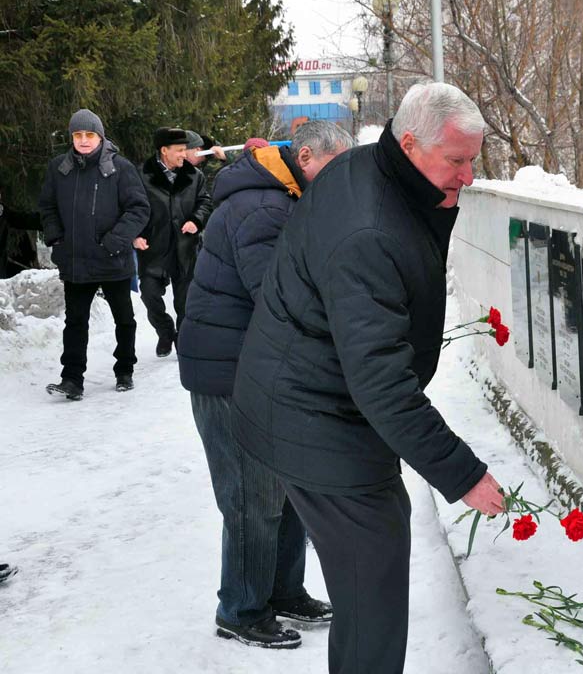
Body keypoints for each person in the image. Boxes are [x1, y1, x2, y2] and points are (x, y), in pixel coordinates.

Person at [232, 84, 506, 674]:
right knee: (373, 571)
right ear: (410, 144)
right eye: (456, 161)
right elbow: (381, 380)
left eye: (473, 160)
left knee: (381, 541)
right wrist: (462, 473)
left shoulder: (374, 169)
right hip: (311, 412)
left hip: (315, 396)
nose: (469, 175)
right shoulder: (370, 232)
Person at [177, 121, 352, 649]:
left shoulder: (283, 197)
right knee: (252, 496)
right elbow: (280, 299)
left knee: (285, 486)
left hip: (259, 369)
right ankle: (242, 608)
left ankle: (282, 590)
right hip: (228, 373)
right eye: (334, 166)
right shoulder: (263, 208)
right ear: (304, 156)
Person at [39, 109, 150, 400]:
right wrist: (57, 240)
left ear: (100, 137)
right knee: (75, 322)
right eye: (78, 135)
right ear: (72, 137)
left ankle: (124, 369)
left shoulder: (120, 168)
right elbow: (47, 207)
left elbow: (139, 208)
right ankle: (72, 379)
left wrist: (115, 241)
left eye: (90, 135)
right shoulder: (59, 169)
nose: (84, 140)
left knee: (124, 318)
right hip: (76, 261)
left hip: (112, 258)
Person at [134, 127, 212, 357]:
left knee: (185, 303)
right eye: (179, 150)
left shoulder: (194, 176)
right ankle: (166, 331)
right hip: (153, 247)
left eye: (185, 150)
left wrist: (196, 221)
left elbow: (205, 202)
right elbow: (130, 207)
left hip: (184, 248)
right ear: (164, 151)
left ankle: (182, 339)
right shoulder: (141, 175)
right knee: (149, 295)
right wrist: (134, 235)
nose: (183, 155)